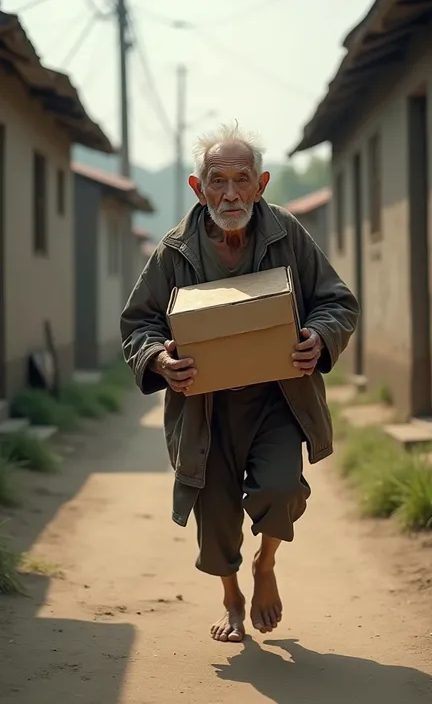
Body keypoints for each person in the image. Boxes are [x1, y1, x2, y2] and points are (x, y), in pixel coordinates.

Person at [121, 123, 359, 644]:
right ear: (196, 187)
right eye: (217, 180)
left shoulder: (287, 235)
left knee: (281, 488)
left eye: (241, 179)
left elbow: (336, 302)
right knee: (217, 516)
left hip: (278, 398)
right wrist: (160, 360)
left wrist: (318, 337)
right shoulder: (174, 250)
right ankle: (231, 597)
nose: (230, 193)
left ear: (261, 183)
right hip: (204, 408)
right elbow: (139, 324)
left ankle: (265, 564)